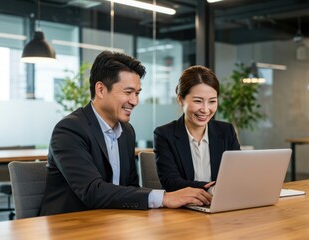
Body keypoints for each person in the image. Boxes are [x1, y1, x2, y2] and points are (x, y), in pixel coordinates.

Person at [39, 51, 211, 216]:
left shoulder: (126, 131)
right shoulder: (70, 130)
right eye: (128, 92)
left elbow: (130, 187)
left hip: (113, 222)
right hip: (70, 226)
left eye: (137, 93)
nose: (135, 101)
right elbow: (93, 191)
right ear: (100, 90)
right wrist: (164, 197)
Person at [154, 65, 240, 192]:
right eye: (198, 101)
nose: (205, 110)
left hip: (221, 204)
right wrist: (211, 189)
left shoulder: (226, 131)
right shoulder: (164, 134)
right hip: (183, 208)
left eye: (212, 101)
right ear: (180, 100)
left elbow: (238, 173)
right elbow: (170, 181)